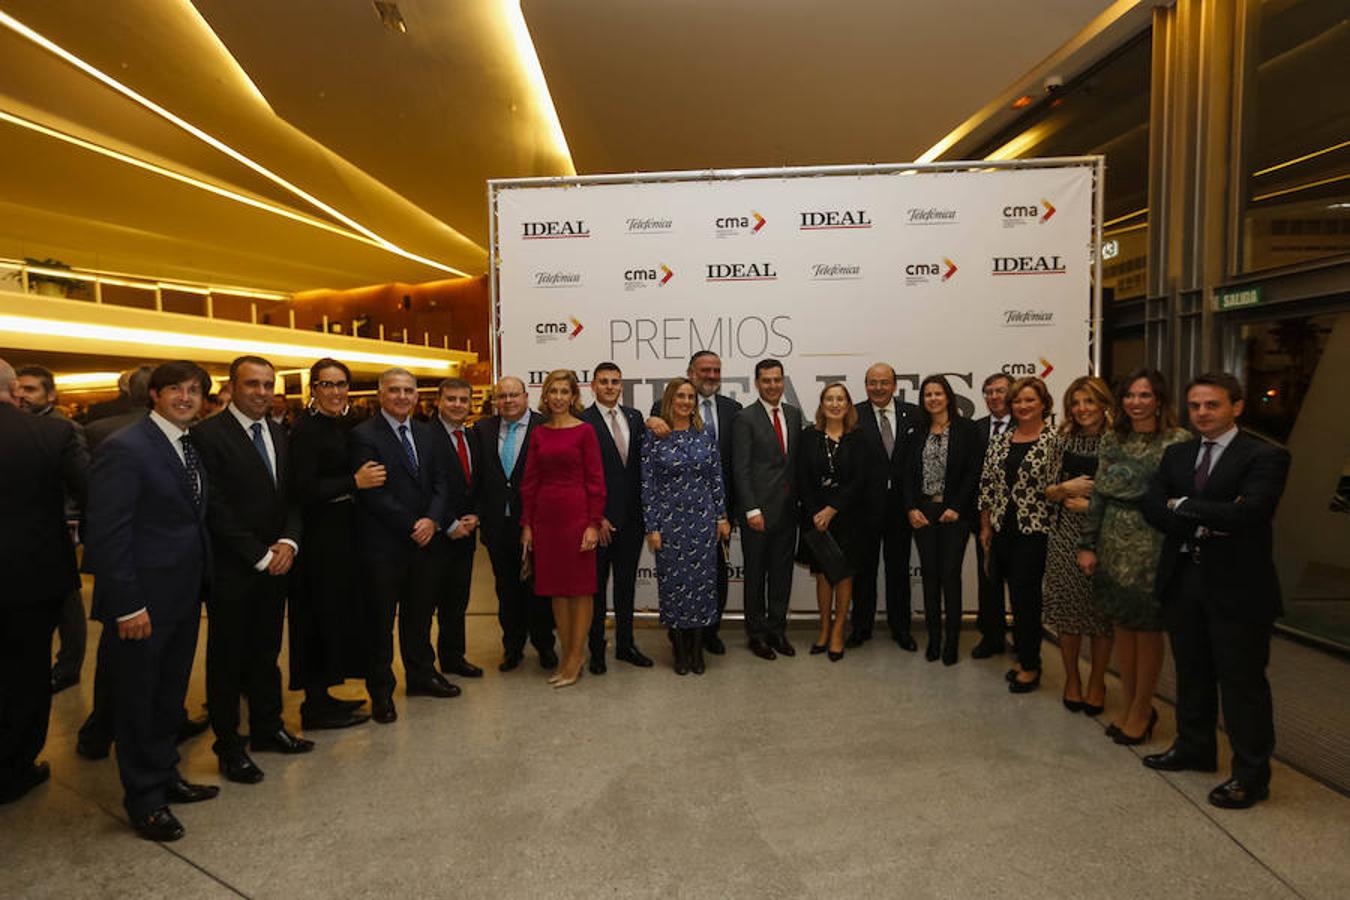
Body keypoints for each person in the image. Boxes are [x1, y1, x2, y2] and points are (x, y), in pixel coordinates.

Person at [83, 361, 219, 841]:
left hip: (181, 596)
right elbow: (107, 533)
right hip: (141, 603)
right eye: (176, 390)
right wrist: (127, 604)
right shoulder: (126, 448)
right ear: (155, 395)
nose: (187, 397)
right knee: (139, 701)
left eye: (195, 390)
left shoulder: (187, 443)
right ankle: (143, 799)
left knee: (168, 696)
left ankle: (166, 776)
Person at [1141, 373, 1290, 809]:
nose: (1202, 413)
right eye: (1195, 406)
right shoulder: (1177, 453)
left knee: (1242, 683)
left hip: (1238, 587)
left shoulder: (1266, 456)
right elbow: (1152, 505)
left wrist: (1183, 506)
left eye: (1212, 405)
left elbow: (1253, 512)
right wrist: (1211, 514)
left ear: (1236, 407)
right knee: (1192, 672)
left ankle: (1250, 776)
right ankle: (1195, 748)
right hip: (1184, 577)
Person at [192, 355, 308, 784]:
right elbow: (213, 506)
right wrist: (259, 554)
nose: (261, 392)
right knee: (227, 660)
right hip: (234, 568)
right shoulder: (206, 436)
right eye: (252, 384)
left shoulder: (279, 433)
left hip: (277, 564)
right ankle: (230, 745)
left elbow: (291, 497)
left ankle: (267, 726)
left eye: (267, 384)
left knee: (265, 651)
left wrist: (289, 542)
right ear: (232, 387)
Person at [1077, 369, 1189, 745]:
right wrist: (1088, 544)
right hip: (1111, 541)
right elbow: (1098, 496)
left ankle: (1143, 709)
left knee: (1148, 631)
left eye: (1144, 395)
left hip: (1153, 544)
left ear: (1159, 399)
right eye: (1130, 395)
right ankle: (1129, 705)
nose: (1136, 402)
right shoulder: (1113, 439)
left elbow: (1182, 500)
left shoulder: (1178, 441)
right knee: (1122, 627)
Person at [0, 358, 87, 805]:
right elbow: (90, 490)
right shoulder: (51, 434)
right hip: (33, 578)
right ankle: (14, 768)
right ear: (15, 392)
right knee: (27, 673)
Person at [350, 368, 458, 724]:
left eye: (408, 391)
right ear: (381, 394)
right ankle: (381, 693)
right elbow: (373, 494)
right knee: (380, 623)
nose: (401, 396)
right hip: (383, 545)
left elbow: (443, 482)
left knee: (419, 615)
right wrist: (413, 524)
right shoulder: (363, 435)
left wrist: (432, 520)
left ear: (416, 395)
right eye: (394, 390)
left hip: (425, 543)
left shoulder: (428, 434)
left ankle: (421, 675)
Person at [287, 358, 382, 730]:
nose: (335, 391)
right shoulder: (306, 430)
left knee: (336, 617)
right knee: (315, 617)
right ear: (313, 389)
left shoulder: (344, 424)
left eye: (341, 384)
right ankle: (313, 705)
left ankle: (325, 694)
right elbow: (303, 489)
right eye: (326, 384)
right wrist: (353, 483)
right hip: (318, 539)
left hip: (344, 535)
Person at [646, 351, 742, 654]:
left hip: (709, 514)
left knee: (713, 577)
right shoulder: (657, 418)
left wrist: (723, 515)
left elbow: (726, 468)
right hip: (671, 519)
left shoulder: (732, 409)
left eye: (716, 370)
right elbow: (647, 476)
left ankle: (708, 633)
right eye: (704, 370)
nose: (711, 375)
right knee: (675, 582)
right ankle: (680, 640)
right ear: (690, 373)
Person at [520, 370, 606, 688]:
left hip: (577, 517)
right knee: (556, 589)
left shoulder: (585, 432)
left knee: (580, 590)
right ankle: (566, 653)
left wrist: (593, 524)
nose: (558, 397)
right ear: (546, 395)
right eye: (553, 391)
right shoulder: (539, 434)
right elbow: (529, 482)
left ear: (573, 396)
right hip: (546, 520)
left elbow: (596, 481)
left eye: (564, 391)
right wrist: (527, 525)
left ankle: (575, 657)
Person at [978, 376, 1059, 693]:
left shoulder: (1055, 441)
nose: (1023, 406)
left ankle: (1030, 665)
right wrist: (986, 527)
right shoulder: (1000, 441)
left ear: (1043, 403)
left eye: (1029, 400)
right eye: (1017, 402)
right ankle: (1025, 655)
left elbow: (1058, 489)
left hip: (1034, 532)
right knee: (1013, 595)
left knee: (1027, 599)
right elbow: (987, 486)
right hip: (1001, 530)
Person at [15, 365, 89, 695]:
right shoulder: (19, 425)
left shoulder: (63, 428)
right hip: (29, 526)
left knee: (66, 601)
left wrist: (71, 519)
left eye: (31, 390)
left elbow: (81, 480)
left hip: (58, 525)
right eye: (20, 389)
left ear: (50, 394)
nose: (23, 396)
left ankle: (69, 666)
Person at [475, 377, 557, 672]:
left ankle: (545, 646)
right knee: (505, 590)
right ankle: (512, 648)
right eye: (502, 396)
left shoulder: (546, 425)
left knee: (539, 591)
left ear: (525, 396)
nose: (508, 401)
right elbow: (478, 479)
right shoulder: (482, 430)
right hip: (498, 525)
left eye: (513, 395)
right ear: (495, 400)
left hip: (537, 525)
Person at [1043, 376, 1114, 714]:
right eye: (1076, 402)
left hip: (1109, 537)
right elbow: (1048, 490)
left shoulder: (1119, 443)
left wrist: (1092, 504)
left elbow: (1132, 496)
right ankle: (1072, 678)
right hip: (1064, 535)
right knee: (1067, 613)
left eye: (1089, 401)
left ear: (1103, 404)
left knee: (1102, 617)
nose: (1082, 409)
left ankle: (1098, 681)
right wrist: (1066, 488)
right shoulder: (1061, 441)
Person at [902, 375, 980, 666]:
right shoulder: (917, 431)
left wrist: (957, 507)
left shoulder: (966, 430)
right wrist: (910, 508)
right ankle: (934, 640)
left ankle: (952, 642)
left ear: (948, 396)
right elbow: (906, 475)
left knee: (950, 577)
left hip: (953, 515)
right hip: (924, 513)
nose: (932, 399)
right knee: (930, 578)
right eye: (927, 395)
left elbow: (973, 472)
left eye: (938, 393)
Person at [581, 363, 653, 673]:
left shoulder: (635, 418)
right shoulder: (582, 422)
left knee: (626, 586)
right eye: (604, 382)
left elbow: (638, 470)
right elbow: (578, 477)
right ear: (593, 386)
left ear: (621, 385)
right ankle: (596, 650)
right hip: (599, 524)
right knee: (596, 589)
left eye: (615, 382)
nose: (610, 386)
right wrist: (596, 518)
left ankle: (626, 645)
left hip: (632, 521)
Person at [733, 358, 803, 660]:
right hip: (758, 514)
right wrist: (750, 509)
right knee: (755, 576)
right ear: (757, 383)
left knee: (781, 575)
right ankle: (757, 634)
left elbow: (794, 464)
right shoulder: (745, 418)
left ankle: (777, 630)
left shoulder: (793, 414)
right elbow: (741, 468)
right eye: (766, 380)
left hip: (788, 512)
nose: (773, 385)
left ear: (783, 381)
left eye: (777, 380)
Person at [797, 382, 870, 661]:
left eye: (841, 399)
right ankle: (824, 629)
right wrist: (818, 511)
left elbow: (860, 479)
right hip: (817, 518)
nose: (835, 404)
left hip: (849, 517)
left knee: (844, 574)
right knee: (824, 575)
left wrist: (833, 508)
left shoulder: (859, 438)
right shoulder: (809, 436)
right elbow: (802, 478)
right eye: (830, 399)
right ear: (822, 404)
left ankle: (839, 630)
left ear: (848, 404)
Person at [850, 363, 921, 650]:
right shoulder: (854, 414)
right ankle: (861, 628)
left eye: (884, 382)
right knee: (863, 571)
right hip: (864, 508)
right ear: (865, 385)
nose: (878, 388)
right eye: (872, 382)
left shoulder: (913, 413)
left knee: (898, 570)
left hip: (901, 508)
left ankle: (901, 628)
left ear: (894, 385)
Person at [428, 378, 483, 679]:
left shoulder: (472, 436)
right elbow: (426, 487)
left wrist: (476, 515)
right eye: (451, 399)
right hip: (436, 535)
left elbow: (476, 483)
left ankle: (453, 658)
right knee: (425, 606)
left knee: (457, 601)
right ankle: (423, 669)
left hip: (466, 534)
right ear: (439, 400)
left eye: (464, 400)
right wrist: (448, 522)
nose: (458, 405)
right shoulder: (424, 436)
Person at [971, 372, 1014, 658]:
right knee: (988, 578)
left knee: (1021, 582)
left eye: (1000, 391)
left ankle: (1023, 638)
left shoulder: (1028, 426)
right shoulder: (975, 429)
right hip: (984, 517)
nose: (994, 397)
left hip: (1020, 519)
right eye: (988, 392)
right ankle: (992, 636)